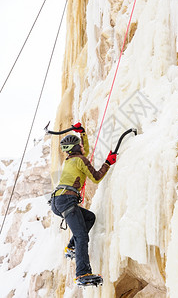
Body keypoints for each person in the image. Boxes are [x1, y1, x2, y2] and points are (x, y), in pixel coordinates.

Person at [51, 122, 117, 284]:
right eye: (79, 144)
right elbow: (95, 177)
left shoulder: (72, 160)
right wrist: (107, 163)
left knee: (89, 218)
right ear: (75, 148)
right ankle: (82, 274)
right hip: (66, 200)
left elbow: (84, 150)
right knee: (82, 235)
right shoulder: (79, 160)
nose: (82, 146)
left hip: (59, 201)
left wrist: (83, 133)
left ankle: (72, 247)